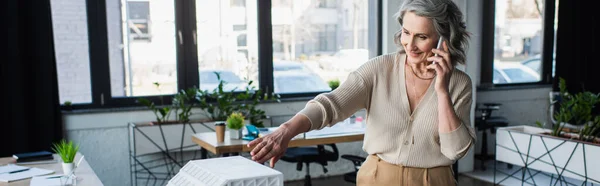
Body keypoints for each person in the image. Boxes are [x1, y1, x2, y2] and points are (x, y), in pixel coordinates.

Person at [247, 0, 475, 185]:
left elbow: (455, 150)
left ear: (444, 40)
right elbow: (331, 104)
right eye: (406, 32)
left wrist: (442, 91)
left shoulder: (459, 84)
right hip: (377, 179)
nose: (410, 44)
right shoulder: (379, 69)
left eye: (422, 37)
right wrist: (286, 131)